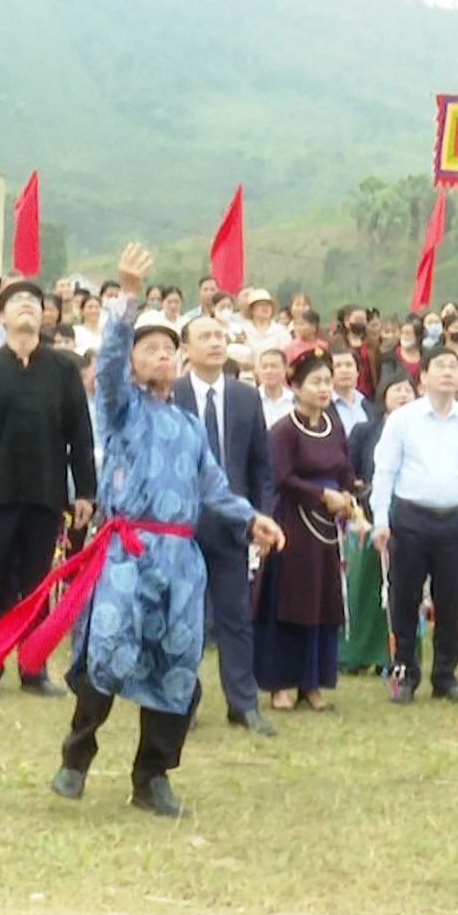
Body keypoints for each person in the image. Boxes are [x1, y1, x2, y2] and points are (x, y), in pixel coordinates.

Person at [28, 244, 283, 819]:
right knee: (107, 652)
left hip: (180, 559)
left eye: (169, 349)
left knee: (177, 661)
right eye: (150, 348)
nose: (162, 356)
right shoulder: (120, 408)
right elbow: (108, 363)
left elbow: (215, 488)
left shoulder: (189, 426)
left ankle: (152, 776)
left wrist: (252, 518)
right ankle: (76, 756)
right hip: (127, 550)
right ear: (133, 361)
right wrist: (125, 296)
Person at [0, 280, 96, 698]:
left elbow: (80, 434)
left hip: (46, 494)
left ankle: (34, 668)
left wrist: (85, 491)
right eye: (17, 302)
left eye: (34, 301)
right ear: (1, 316)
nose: (28, 306)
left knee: (37, 586)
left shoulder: (62, 369)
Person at [171, 314, 276, 734]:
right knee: (183, 619)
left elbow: (261, 466)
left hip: (233, 526)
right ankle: (180, 702)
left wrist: (260, 517)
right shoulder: (172, 394)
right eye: (205, 336)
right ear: (186, 348)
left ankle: (243, 704)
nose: (215, 343)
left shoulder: (245, 397)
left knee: (235, 617)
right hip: (181, 528)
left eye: (219, 336)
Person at [371, 346, 458, 704]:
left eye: (454, 367)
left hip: (454, 520)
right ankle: (406, 672)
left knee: (450, 601)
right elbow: (385, 472)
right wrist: (381, 519)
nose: (448, 372)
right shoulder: (402, 419)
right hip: (411, 518)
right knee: (405, 599)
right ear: (422, 376)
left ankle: (445, 676)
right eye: (440, 366)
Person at [252, 347, 355, 713]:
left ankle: (313, 682)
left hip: (325, 528)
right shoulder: (283, 430)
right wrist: (321, 494)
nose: (323, 389)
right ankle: (280, 683)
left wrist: (347, 493)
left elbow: (345, 467)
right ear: (296, 387)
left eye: (327, 381)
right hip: (293, 525)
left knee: (322, 601)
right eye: (316, 382)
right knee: (290, 601)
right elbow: (282, 477)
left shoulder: (334, 426)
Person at [341, 374, 412, 673]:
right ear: (383, 396)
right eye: (397, 389)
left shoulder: (420, 429)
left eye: (408, 390)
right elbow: (349, 470)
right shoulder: (365, 430)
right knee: (365, 586)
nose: (403, 394)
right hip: (368, 516)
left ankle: (392, 654)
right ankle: (355, 653)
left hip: (409, 513)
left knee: (402, 586)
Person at [254, 348, 294, 426]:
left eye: (274, 366)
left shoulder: (295, 401)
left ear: (285, 369)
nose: (269, 371)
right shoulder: (250, 401)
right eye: (264, 367)